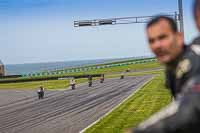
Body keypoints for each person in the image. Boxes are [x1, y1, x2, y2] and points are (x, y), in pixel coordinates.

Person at [130, 15, 200, 133]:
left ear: (179, 37)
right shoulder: (172, 69)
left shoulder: (195, 62)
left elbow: (190, 107)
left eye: (162, 38)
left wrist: (140, 131)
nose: (157, 45)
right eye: (151, 41)